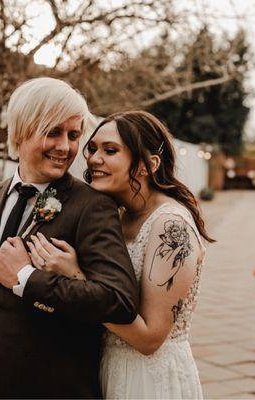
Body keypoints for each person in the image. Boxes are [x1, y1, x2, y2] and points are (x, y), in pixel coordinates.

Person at [0, 77, 138, 399]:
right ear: (21, 131)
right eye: (53, 132)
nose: (65, 147)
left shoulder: (92, 207)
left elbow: (118, 302)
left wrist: (27, 277)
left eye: (74, 135)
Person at [26, 110, 215, 399]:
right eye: (93, 149)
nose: (93, 159)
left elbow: (150, 338)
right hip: (106, 368)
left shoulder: (171, 225)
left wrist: (75, 277)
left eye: (110, 150)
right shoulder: (117, 215)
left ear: (148, 164)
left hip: (149, 378)